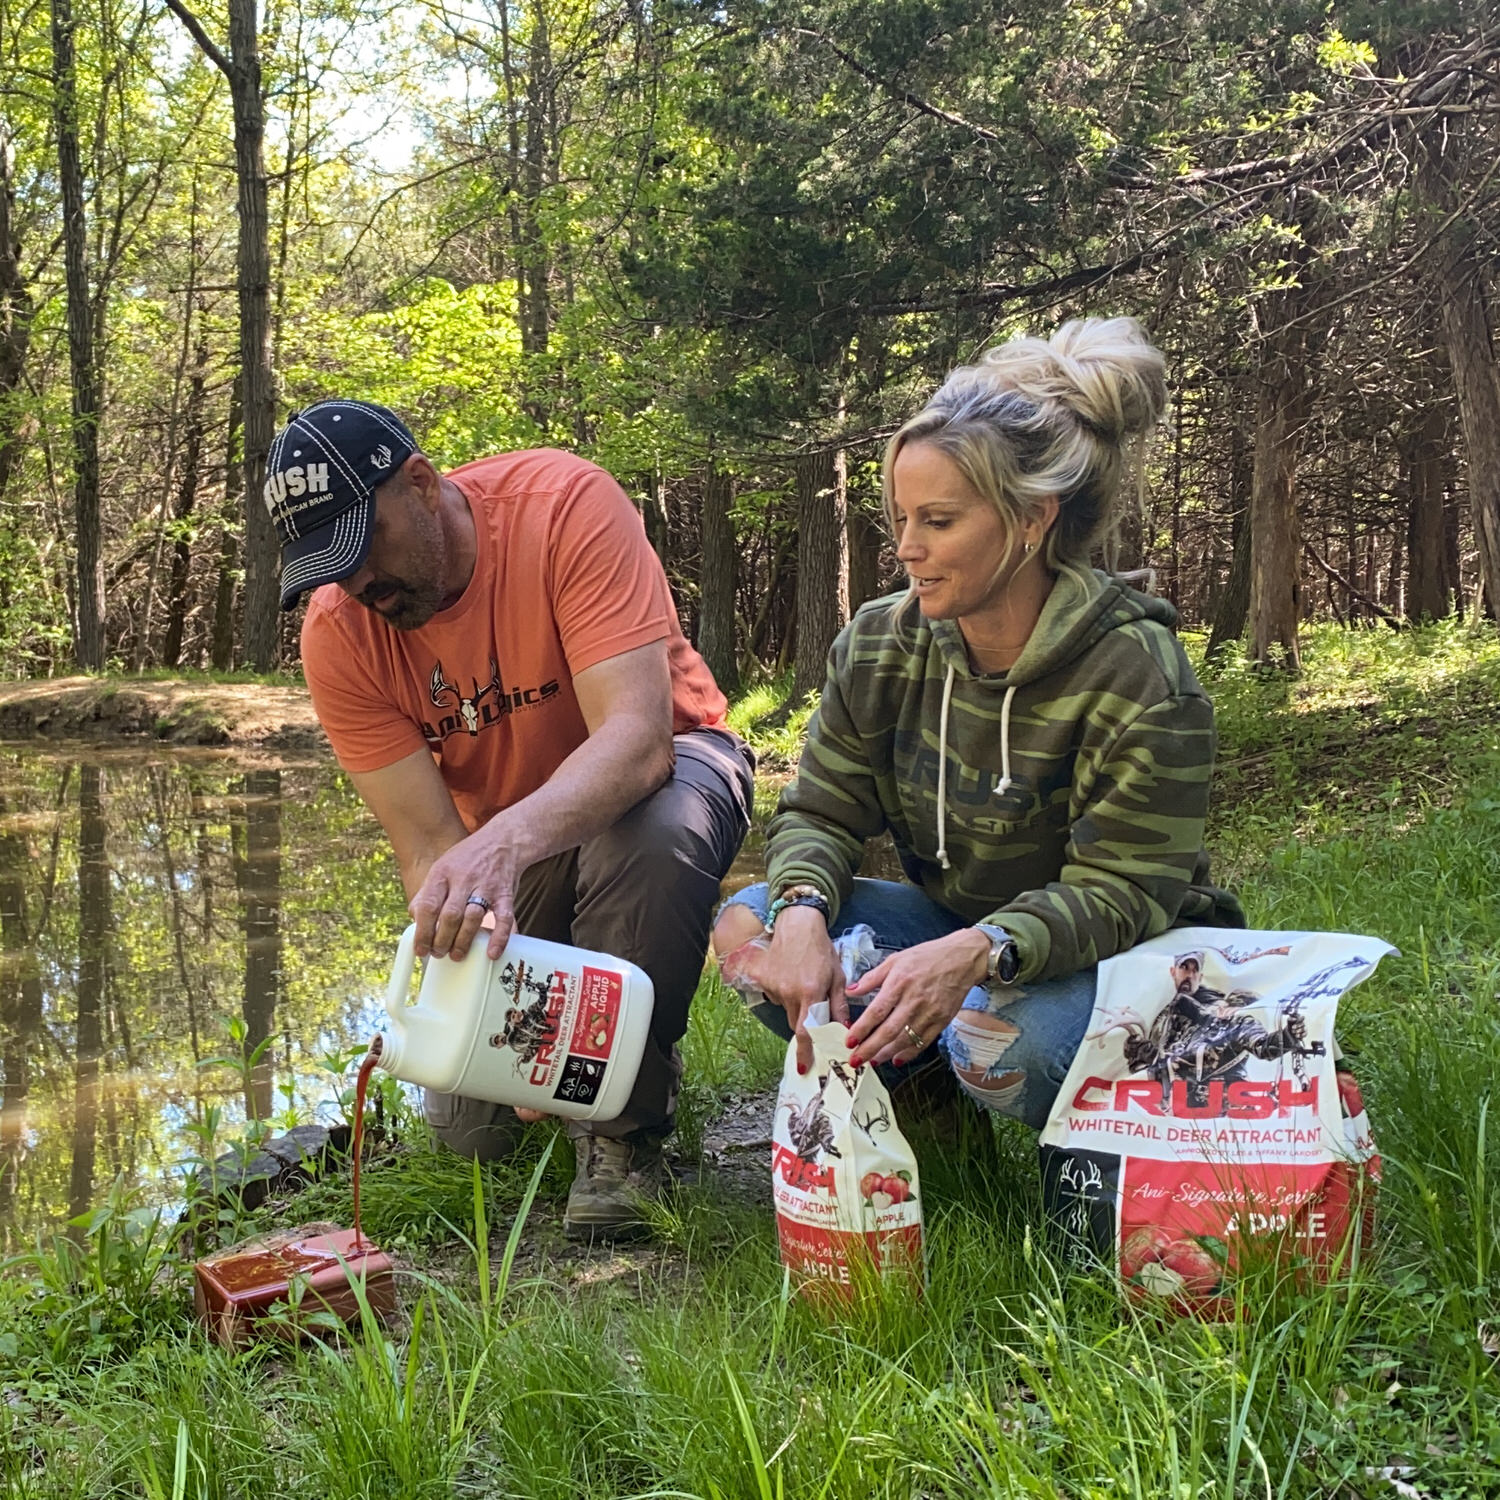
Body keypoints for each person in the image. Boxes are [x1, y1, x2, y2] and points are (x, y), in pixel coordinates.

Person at [712, 317, 1244, 1133]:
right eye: (900, 519)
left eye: (939, 521)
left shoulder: (1137, 672)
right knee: (753, 929)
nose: (907, 549)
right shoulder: (881, 645)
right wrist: (804, 909)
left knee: (1004, 1044)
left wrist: (978, 951)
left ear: (1032, 519)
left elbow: (1127, 889)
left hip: (1125, 958)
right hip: (957, 932)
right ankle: (926, 1123)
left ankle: (1107, 1146)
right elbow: (821, 811)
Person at [267, 399, 755, 1238]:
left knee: (652, 835)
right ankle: (584, 1067)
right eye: (328, 568)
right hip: (511, 836)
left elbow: (637, 744)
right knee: (473, 1130)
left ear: (419, 484)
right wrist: (506, 1000)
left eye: (361, 547)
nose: (355, 586)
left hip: (675, 766)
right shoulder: (339, 632)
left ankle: (624, 1137)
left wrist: (503, 846)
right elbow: (428, 845)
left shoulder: (564, 508)